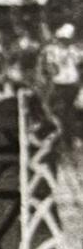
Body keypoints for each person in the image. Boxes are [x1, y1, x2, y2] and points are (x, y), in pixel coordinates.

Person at [41, 23, 81, 152]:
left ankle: (69, 139)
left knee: (69, 112)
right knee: (59, 111)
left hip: (72, 84)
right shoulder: (52, 50)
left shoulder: (75, 50)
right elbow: (50, 68)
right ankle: (62, 139)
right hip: (58, 84)